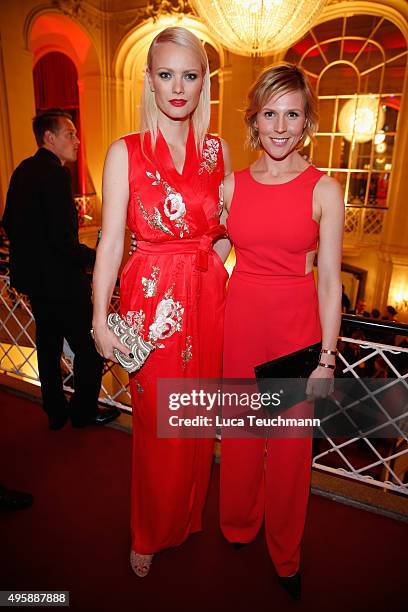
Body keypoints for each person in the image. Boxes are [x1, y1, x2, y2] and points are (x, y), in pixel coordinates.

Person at [92, 27, 230, 577]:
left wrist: (219, 264)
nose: (178, 87)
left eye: (189, 75)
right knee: (156, 424)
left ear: (203, 84)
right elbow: (108, 241)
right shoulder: (124, 152)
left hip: (206, 294)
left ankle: (187, 514)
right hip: (152, 302)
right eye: (166, 74)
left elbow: (222, 231)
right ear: (149, 80)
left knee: (196, 419)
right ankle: (149, 529)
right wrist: (99, 316)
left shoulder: (216, 150)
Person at [219, 63, 344, 600]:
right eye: (269, 113)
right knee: (242, 438)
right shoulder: (232, 185)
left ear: (306, 121)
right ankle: (238, 526)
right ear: (254, 120)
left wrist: (326, 357)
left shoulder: (324, 189)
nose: (279, 125)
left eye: (291, 114)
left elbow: (332, 281)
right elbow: (223, 249)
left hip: (296, 328)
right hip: (240, 319)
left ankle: (286, 554)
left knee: (291, 450)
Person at [2, 108, 119, 430]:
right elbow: (61, 241)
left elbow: (9, 222)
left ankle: (55, 411)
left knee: (49, 346)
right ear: (49, 137)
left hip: (36, 283)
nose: (78, 141)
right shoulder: (55, 174)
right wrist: (96, 258)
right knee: (90, 349)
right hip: (62, 283)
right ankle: (83, 412)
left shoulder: (23, 169)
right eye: (70, 134)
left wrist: (34, 255)